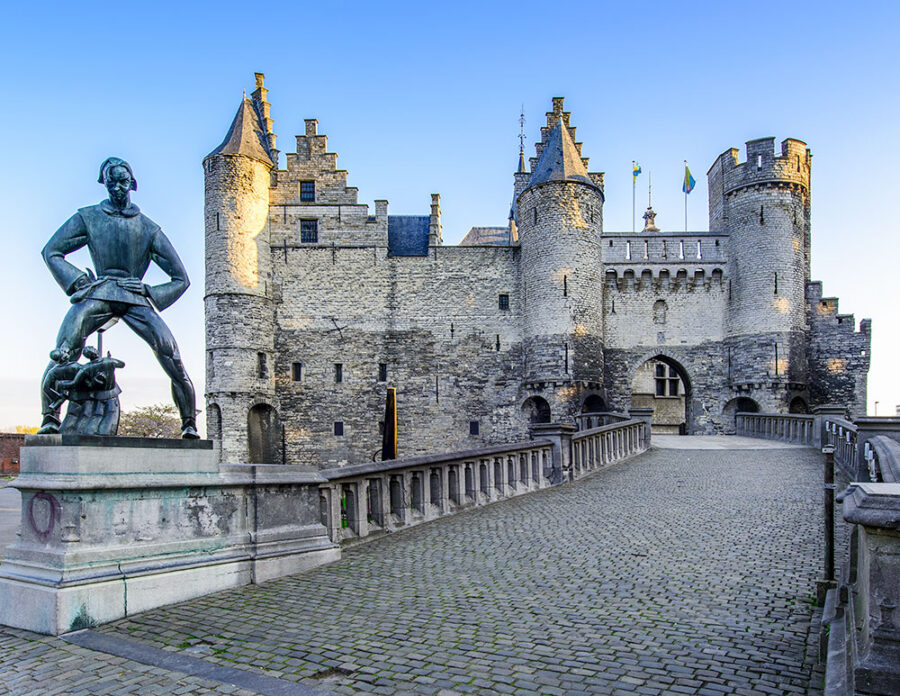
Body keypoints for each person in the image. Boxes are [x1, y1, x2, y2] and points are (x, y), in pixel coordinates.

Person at [37, 157, 199, 438]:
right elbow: (51, 251)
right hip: (100, 292)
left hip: (134, 297)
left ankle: (189, 424)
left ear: (132, 183)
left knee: (170, 353)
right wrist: (79, 282)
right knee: (65, 348)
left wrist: (149, 291)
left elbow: (181, 278)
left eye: (123, 181)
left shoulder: (149, 228)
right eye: (112, 182)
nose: (118, 187)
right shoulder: (88, 217)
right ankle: (50, 417)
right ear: (105, 184)